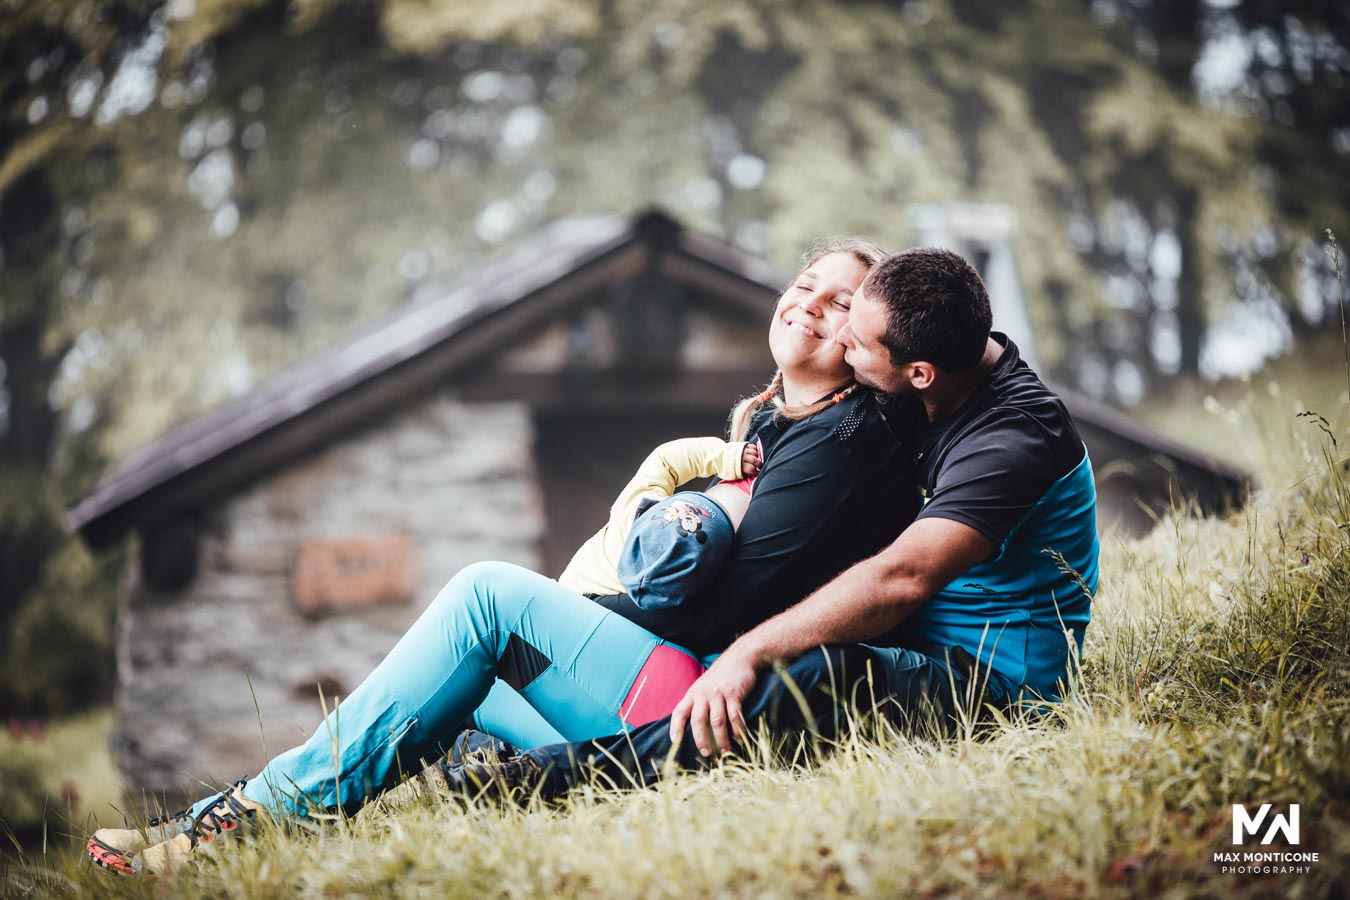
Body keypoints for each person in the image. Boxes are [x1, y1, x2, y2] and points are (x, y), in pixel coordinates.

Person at [87, 238, 918, 875]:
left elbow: (726, 609)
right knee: (462, 695)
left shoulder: (839, 443)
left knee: (487, 597)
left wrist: (581, 610)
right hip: (670, 683)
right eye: (805, 284)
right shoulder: (777, 431)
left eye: (841, 300)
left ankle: (232, 823)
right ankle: (239, 819)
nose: (810, 303)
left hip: (698, 706)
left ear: (865, 334)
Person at [450, 246, 1100, 800]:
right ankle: (503, 743)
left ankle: (553, 779)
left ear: (918, 373)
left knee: (810, 677)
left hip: (991, 683)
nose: (841, 342)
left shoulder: (1012, 436)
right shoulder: (926, 384)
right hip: (919, 641)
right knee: (786, 659)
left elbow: (902, 578)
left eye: (856, 338)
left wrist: (749, 648)